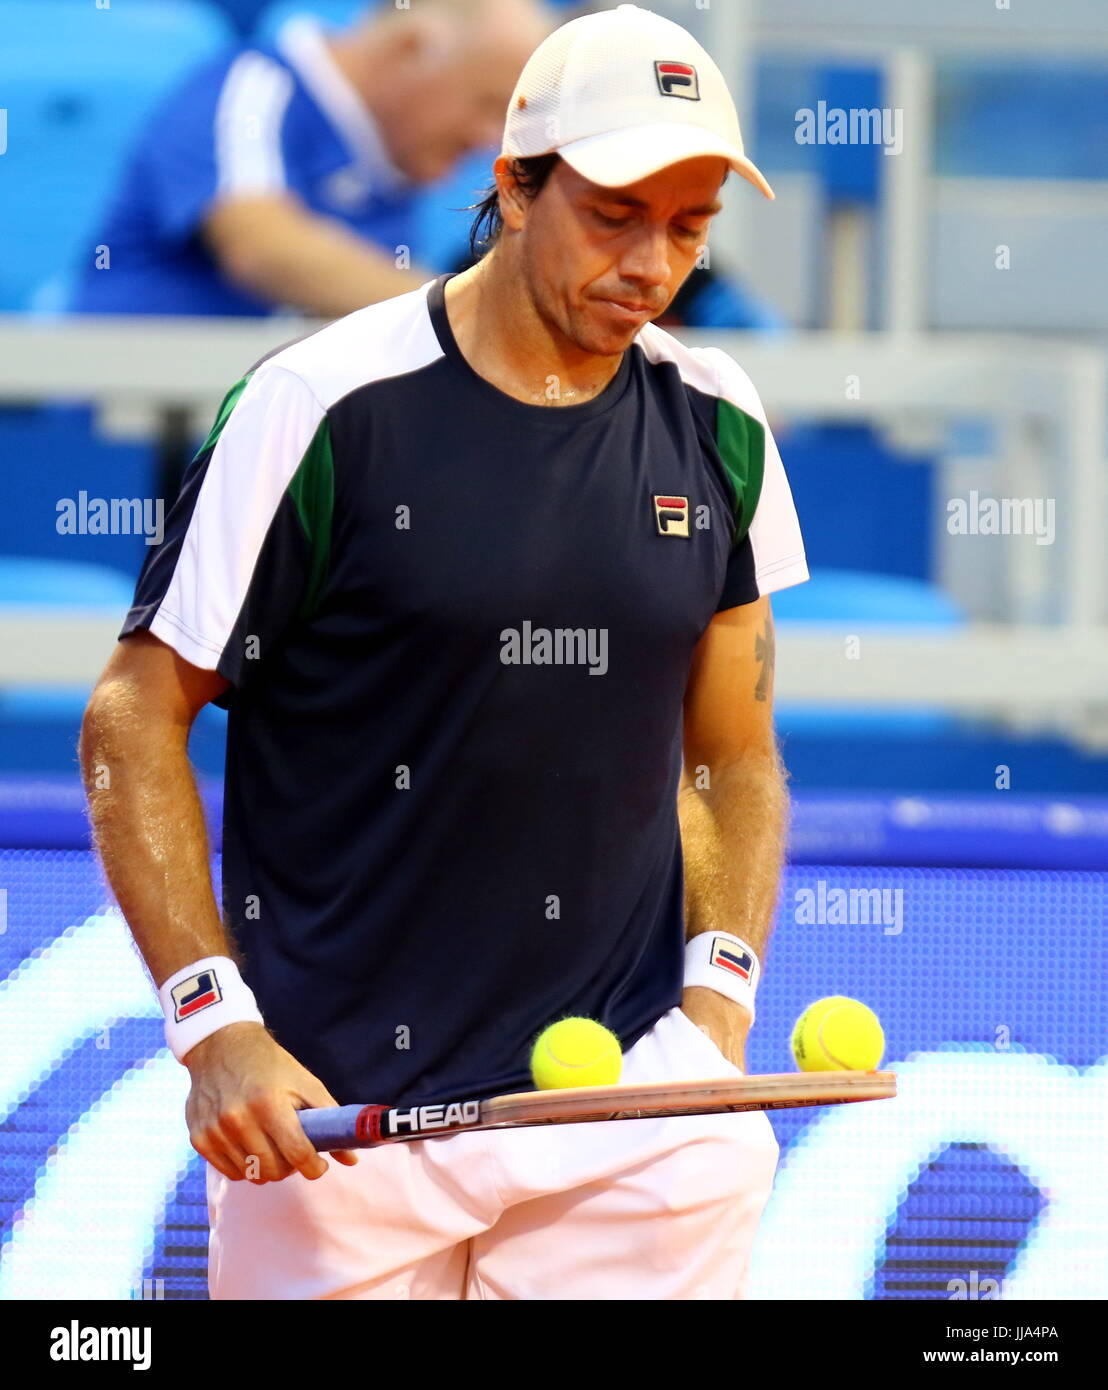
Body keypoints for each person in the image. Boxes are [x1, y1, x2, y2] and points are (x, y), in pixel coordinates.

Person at [81, 3, 808, 1300]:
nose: (653, 263)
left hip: (630, 1115)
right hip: (339, 1128)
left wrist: (717, 1005)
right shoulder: (317, 407)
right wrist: (213, 1027)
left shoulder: (722, 424)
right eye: (615, 214)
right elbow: (133, 720)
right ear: (513, 188)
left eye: (689, 228)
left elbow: (732, 750)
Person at [71, 0, 550, 318]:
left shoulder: (397, 156)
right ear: (409, 52)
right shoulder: (254, 85)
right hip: (127, 434)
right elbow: (263, 248)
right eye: (488, 104)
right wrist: (482, 315)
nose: (491, 139)